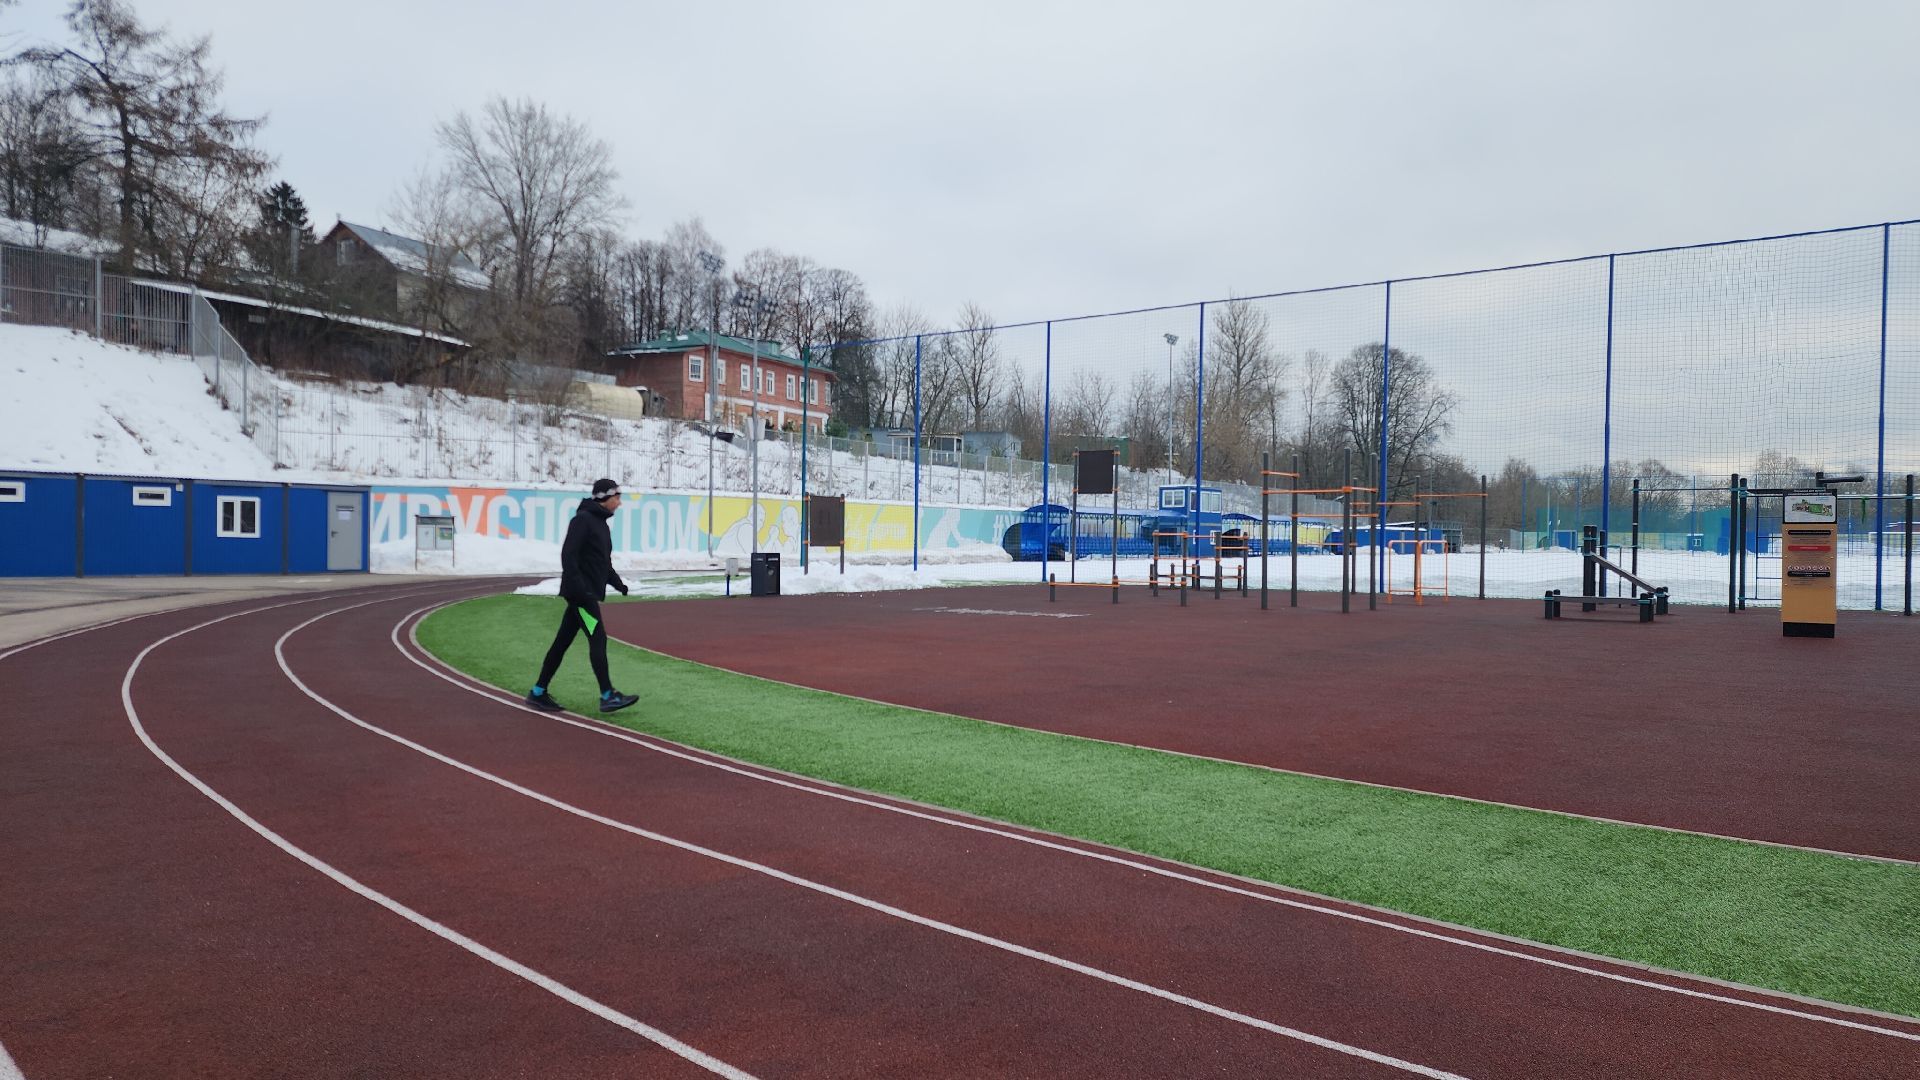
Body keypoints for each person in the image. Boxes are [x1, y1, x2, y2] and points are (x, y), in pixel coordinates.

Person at [526, 478, 638, 714]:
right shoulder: (583, 521)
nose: (619, 503)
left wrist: (619, 584)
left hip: (585, 595)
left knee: (561, 643)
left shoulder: (601, 525)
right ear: (604, 498)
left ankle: (538, 691)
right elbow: (568, 556)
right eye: (616, 498)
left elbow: (603, 563)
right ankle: (607, 695)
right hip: (580, 597)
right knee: (598, 638)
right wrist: (581, 589)